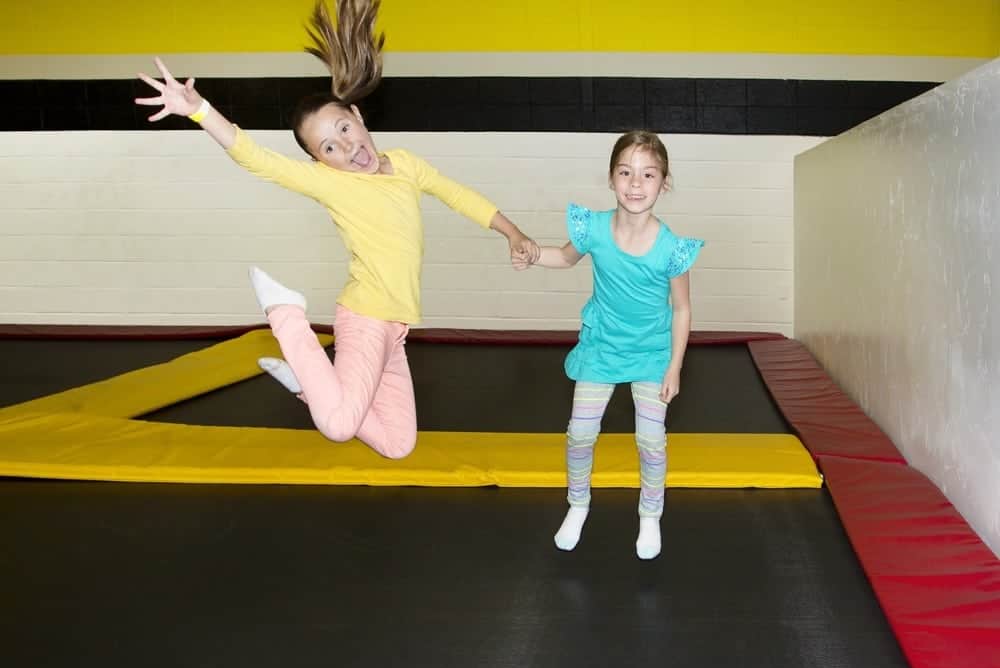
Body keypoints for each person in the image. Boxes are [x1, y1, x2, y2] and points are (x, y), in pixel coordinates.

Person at [135, 0, 539, 460]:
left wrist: (512, 232)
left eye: (345, 129)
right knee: (338, 425)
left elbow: (457, 194)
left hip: (395, 330)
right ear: (320, 162)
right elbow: (255, 157)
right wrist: (200, 109)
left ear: (359, 118)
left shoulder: (404, 165)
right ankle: (286, 313)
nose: (348, 147)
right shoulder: (333, 183)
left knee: (398, 443)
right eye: (330, 146)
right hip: (365, 319)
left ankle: (307, 383)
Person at [518, 131, 703, 560]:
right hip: (601, 348)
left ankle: (650, 515)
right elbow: (563, 258)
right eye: (626, 173)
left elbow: (682, 310)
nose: (635, 184)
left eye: (648, 174)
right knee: (580, 434)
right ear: (611, 178)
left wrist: (674, 366)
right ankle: (578, 505)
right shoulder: (595, 229)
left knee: (650, 440)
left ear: (664, 182)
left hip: (652, 354)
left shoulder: (672, 248)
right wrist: (531, 253)